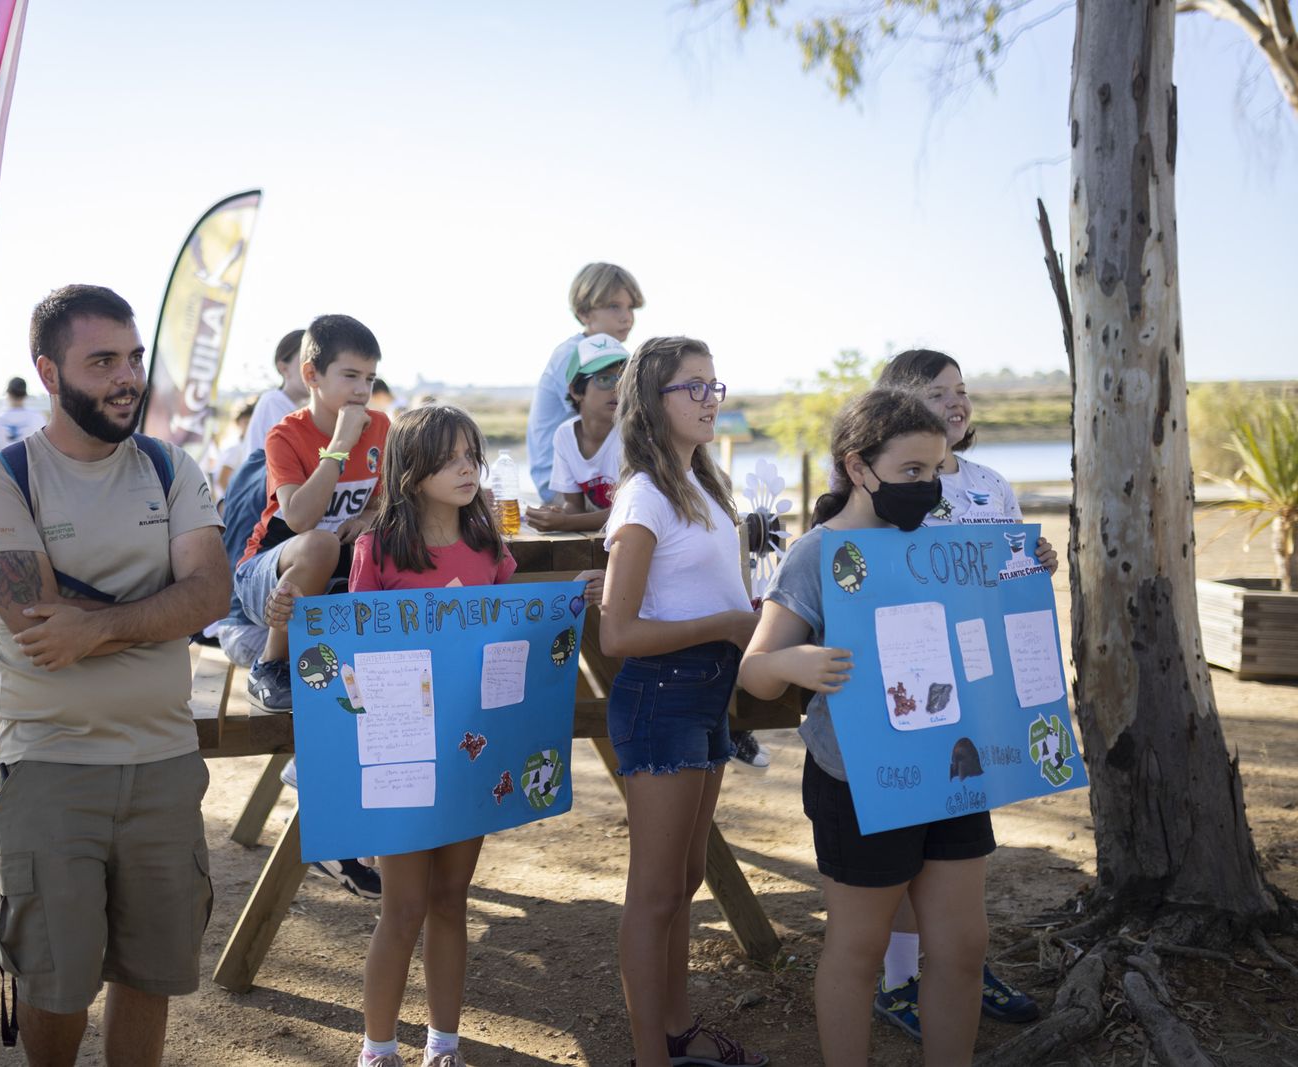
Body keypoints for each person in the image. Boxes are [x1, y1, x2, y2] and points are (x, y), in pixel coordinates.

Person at [0, 284, 230, 1067]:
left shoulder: (168, 465)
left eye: (135, 356)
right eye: (103, 360)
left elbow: (212, 592)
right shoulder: (8, 475)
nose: (127, 376)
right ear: (48, 372)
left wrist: (100, 623)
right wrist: (160, 611)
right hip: (52, 767)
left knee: (150, 972)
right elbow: (38, 627)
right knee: (56, 979)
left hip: (164, 766)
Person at [336, 404, 602, 1067]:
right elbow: (354, 659)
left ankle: (444, 1046)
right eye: (450, 456)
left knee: (451, 899)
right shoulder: (377, 548)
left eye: (472, 456)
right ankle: (378, 1048)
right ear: (410, 468)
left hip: (470, 754)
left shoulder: (489, 548)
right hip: (404, 758)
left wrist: (569, 597)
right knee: (401, 908)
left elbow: (513, 632)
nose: (467, 468)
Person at [739, 388, 990, 1067]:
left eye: (936, 470)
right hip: (858, 780)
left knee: (964, 947)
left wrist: (1022, 573)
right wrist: (795, 660)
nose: (929, 486)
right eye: (912, 471)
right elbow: (754, 671)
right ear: (858, 467)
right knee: (857, 949)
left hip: (952, 772)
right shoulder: (817, 554)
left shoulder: (944, 545)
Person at [868, 349, 1058, 1038]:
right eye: (936, 390)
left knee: (963, 836)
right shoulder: (883, 479)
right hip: (907, 687)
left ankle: (959, 967)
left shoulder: (990, 482)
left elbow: (1008, 580)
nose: (957, 401)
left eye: (961, 390)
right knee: (905, 834)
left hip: (978, 684)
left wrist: (1035, 563)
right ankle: (898, 980)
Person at [598, 337, 767, 1067]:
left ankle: (676, 1033)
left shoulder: (705, 482)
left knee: (686, 880)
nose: (708, 398)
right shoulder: (643, 494)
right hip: (661, 694)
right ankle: (651, 1057)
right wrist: (727, 624)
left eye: (712, 384)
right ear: (651, 400)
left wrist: (755, 611)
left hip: (706, 692)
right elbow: (616, 630)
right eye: (691, 386)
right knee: (656, 890)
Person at [237, 314, 389, 713]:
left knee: (388, 544)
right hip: (267, 575)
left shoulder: (382, 428)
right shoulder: (285, 435)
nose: (362, 391)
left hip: (337, 571)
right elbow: (299, 520)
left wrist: (368, 518)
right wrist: (338, 446)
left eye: (370, 379)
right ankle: (269, 666)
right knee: (319, 543)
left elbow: (388, 500)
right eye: (351, 376)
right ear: (312, 375)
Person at [526, 262, 642, 503]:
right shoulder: (573, 356)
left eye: (630, 308)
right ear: (584, 313)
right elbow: (624, 420)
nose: (626, 317)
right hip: (563, 484)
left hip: (597, 476)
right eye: (614, 307)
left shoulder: (616, 357)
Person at [525, 333, 628, 533]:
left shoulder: (633, 434)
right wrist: (558, 513)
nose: (617, 388)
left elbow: (630, 511)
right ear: (575, 390)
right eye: (604, 379)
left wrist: (564, 523)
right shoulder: (565, 436)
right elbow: (574, 505)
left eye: (624, 380)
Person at [244, 328, 309, 453]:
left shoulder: (291, 405)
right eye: (305, 361)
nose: (313, 370)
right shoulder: (274, 401)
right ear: (284, 368)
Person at [0, 376, 46, 459]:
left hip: (3, 467)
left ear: (8, 393)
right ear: (25, 395)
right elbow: (42, 448)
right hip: (29, 468)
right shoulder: (37, 417)